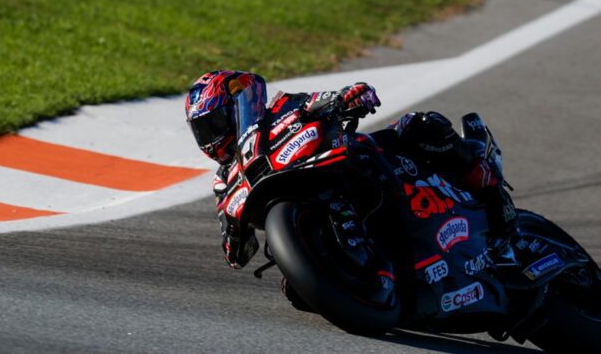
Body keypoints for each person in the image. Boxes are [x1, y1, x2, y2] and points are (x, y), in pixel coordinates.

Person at [185, 70, 516, 270]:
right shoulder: (223, 182)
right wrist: (235, 235)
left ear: (234, 109)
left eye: (213, 122)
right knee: (296, 293)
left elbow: (325, 100)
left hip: (352, 164)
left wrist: (348, 96)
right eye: (203, 129)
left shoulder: (282, 107)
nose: (212, 135)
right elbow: (237, 255)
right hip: (304, 210)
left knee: (421, 126)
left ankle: (487, 183)